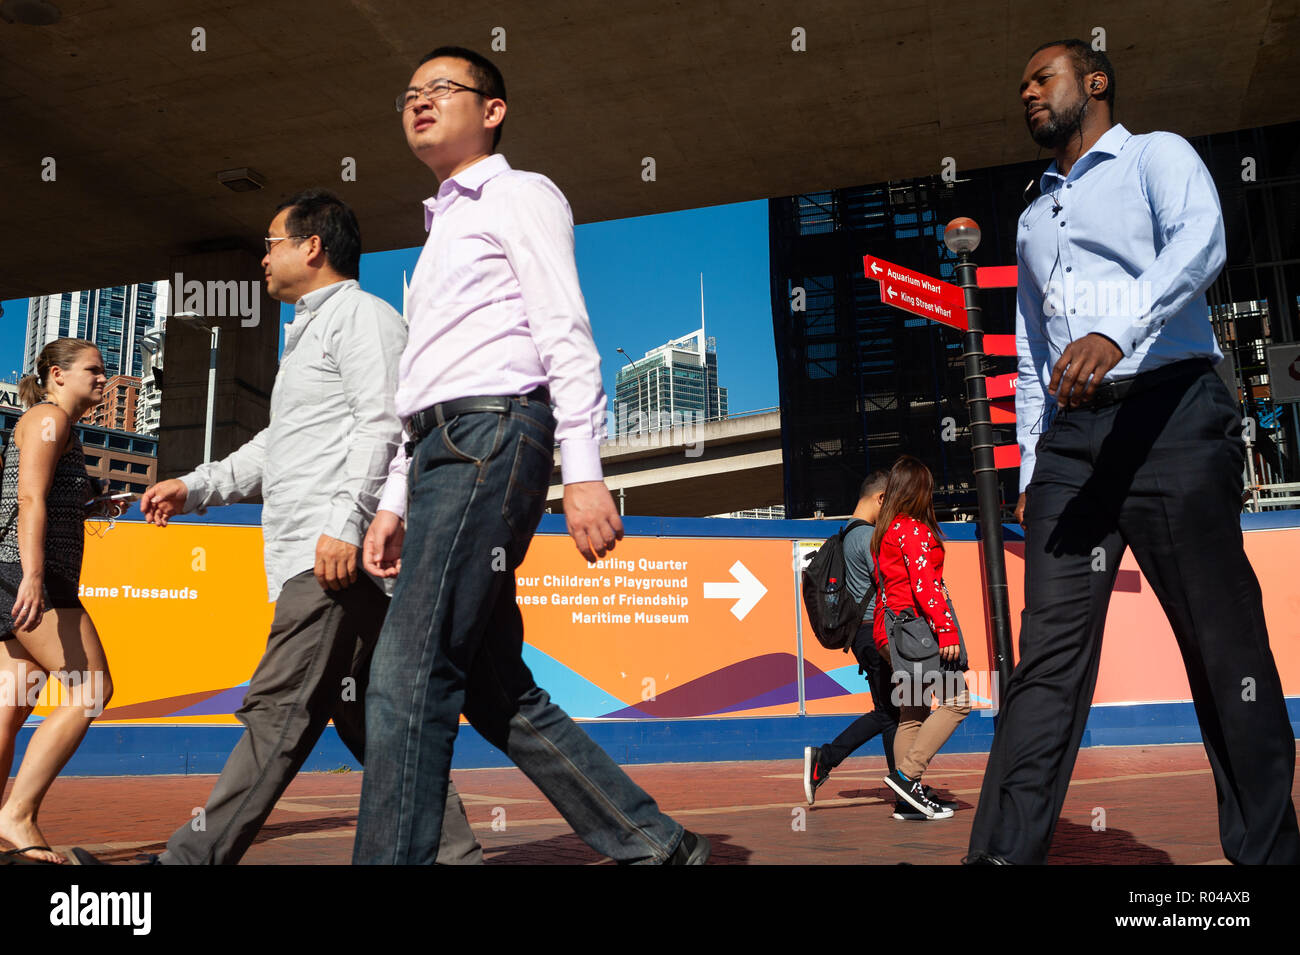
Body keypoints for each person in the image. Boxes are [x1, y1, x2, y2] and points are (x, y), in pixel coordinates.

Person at [353, 46, 707, 865]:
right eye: (410, 93)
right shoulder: (441, 226)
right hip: (443, 446)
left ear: (493, 109)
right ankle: (654, 841)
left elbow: (563, 328)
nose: (420, 102)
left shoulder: (519, 195)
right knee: (488, 682)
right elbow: (424, 380)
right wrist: (396, 500)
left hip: (492, 439)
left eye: (442, 89)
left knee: (407, 675)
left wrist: (583, 470)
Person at [965, 40, 1299, 864]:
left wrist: (1120, 328)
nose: (1028, 95)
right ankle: (1000, 856)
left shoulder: (1157, 157)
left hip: (1172, 413)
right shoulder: (1033, 216)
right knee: (1045, 661)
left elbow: (1204, 241)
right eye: (1021, 87)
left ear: (1096, 82)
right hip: (1074, 450)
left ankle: (1268, 855)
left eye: (1042, 79)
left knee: (1225, 646)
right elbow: (1035, 349)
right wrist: (1037, 464)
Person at [137, 189, 481, 865]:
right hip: (317, 556)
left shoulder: (362, 318)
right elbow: (276, 447)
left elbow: (386, 423)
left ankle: (183, 863)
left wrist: (345, 524)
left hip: (329, 561)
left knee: (275, 714)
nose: (263, 257)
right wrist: (195, 484)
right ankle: (455, 855)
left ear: (312, 246)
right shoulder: (304, 337)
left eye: (271, 242)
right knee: (380, 726)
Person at [0, 339, 119, 864]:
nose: (103, 377)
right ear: (57, 375)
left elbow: (43, 496)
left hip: (20, 576)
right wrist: (32, 578)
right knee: (92, 687)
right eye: (93, 369)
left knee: (9, 707)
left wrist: (94, 503)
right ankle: (17, 813)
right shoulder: (49, 419)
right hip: (34, 580)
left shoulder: (58, 429)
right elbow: (29, 497)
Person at [873, 456, 970, 820]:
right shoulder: (912, 529)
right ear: (919, 491)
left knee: (912, 714)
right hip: (922, 631)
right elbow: (925, 584)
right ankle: (907, 777)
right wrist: (946, 629)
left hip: (895, 632)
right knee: (958, 702)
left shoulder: (885, 530)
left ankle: (907, 802)